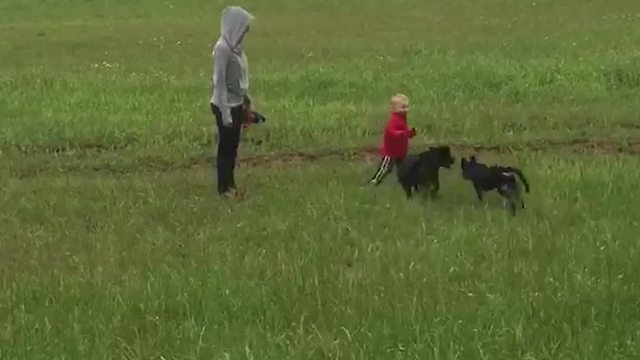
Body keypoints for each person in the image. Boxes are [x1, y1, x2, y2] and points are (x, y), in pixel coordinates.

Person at [210, 5, 254, 197]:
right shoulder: (222, 49)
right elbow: (219, 83)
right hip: (224, 105)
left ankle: (231, 184)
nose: (246, 31)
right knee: (226, 148)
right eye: (244, 27)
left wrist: (246, 98)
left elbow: (239, 77)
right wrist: (226, 114)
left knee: (233, 147)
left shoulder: (236, 47)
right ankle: (223, 188)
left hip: (236, 103)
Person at [369, 93, 417, 185]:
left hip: (401, 151)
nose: (405, 110)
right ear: (394, 109)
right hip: (391, 151)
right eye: (402, 107)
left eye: (406, 107)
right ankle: (374, 182)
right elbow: (391, 132)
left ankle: (407, 183)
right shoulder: (394, 120)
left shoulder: (403, 119)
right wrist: (403, 133)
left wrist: (410, 133)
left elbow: (404, 133)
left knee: (404, 168)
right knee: (386, 168)